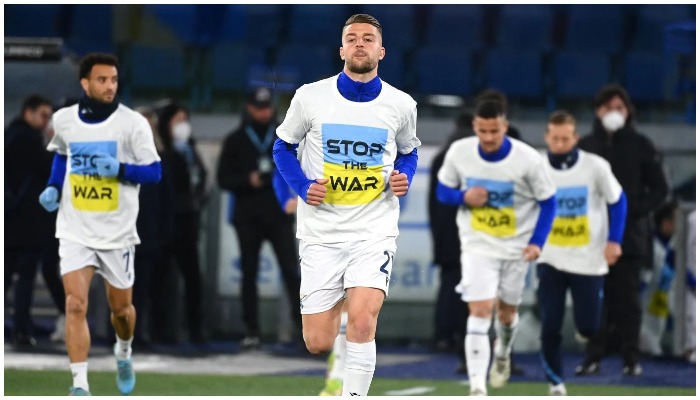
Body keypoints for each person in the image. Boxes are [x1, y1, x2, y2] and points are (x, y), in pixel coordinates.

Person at [272, 14, 421, 396]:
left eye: (368, 38)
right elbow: (282, 147)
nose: (359, 43)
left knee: (362, 322)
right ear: (341, 50)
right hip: (321, 232)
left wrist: (405, 175)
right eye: (352, 38)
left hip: (374, 230)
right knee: (318, 341)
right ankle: (338, 317)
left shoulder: (401, 105)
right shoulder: (310, 97)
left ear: (381, 51)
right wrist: (303, 187)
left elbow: (408, 153)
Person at [38, 52, 161, 396]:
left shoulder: (132, 124)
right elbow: (62, 154)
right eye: (103, 80)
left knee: (121, 310)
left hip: (116, 233)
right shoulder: (64, 120)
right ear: (85, 83)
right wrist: (52, 186)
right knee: (75, 304)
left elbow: (154, 172)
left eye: (114, 80)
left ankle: (123, 351)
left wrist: (120, 170)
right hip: (75, 228)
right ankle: (80, 384)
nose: (110, 86)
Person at [436, 100, 557, 396]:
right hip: (478, 244)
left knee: (506, 314)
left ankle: (502, 351)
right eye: (482, 130)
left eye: (494, 130)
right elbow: (442, 191)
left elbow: (549, 202)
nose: (488, 137)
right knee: (479, 309)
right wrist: (464, 196)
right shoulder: (459, 152)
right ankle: (478, 387)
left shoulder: (527, 159)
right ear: (475, 127)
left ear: (504, 126)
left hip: (516, 248)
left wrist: (537, 243)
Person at [576, 84, 669, 376]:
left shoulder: (641, 145)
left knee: (628, 301)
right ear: (597, 111)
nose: (614, 114)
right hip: (592, 238)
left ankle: (631, 358)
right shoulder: (586, 146)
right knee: (594, 301)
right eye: (608, 108)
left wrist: (636, 209)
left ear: (628, 112)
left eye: (620, 108)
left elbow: (660, 189)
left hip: (629, 237)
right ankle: (593, 356)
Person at [536, 111, 627, 396]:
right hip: (549, 258)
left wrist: (615, 240)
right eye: (555, 138)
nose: (560, 143)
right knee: (550, 324)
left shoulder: (595, 167)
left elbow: (618, 201)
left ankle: (585, 328)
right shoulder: (536, 169)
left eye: (566, 138)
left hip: (589, 260)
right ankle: (555, 383)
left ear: (575, 138)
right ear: (547, 138)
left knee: (589, 327)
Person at [217, 86, 303, 349]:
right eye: (259, 108)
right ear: (249, 108)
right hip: (248, 216)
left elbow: (304, 169)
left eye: (267, 108)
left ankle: (303, 330)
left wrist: (298, 197)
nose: (264, 112)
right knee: (249, 274)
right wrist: (247, 180)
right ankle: (251, 330)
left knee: (292, 273)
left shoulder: (285, 137)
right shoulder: (236, 139)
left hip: (279, 215)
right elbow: (223, 179)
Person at [154, 103, 206, 344]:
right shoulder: (160, 151)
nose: (183, 125)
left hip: (187, 223)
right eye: (178, 120)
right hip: (165, 223)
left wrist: (197, 199)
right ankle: (160, 329)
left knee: (192, 278)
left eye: (185, 119)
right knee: (161, 279)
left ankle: (195, 328)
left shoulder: (190, 150)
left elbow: (201, 176)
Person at [5, 94, 54, 347]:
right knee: (24, 281)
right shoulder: (29, 140)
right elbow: (49, 168)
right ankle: (21, 331)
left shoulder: (9, 135)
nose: (46, 122)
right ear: (29, 112)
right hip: (26, 225)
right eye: (43, 115)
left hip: (10, 221)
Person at [428, 109, 473, 374]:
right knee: (464, 287)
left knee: (448, 284)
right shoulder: (468, 155)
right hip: (465, 232)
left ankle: (443, 334)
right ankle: (456, 335)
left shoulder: (441, 155)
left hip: (444, 233)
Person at [639, 201, 677, 357]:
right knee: (648, 337)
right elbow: (644, 279)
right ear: (665, 223)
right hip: (648, 300)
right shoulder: (651, 246)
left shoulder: (675, 244)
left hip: (663, 296)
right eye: (676, 221)